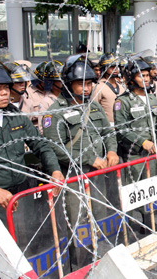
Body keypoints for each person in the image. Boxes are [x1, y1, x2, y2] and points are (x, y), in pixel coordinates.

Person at [0, 63, 64, 278]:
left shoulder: (14, 115)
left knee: (22, 251)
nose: (5, 92)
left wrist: (55, 170)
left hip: (20, 197)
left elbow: (39, 144)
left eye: (6, 87)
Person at [42, 54, 118, 265]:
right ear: (69, 84)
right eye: (80, 84)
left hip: (97, 175)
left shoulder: (93, 106)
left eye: (89, 83)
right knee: (77, 221)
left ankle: (100, 255)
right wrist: (89, 157)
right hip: (74, 177)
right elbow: (55, 147)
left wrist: (111, 150)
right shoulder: (54, 113)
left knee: (100, 214)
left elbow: (108, 132)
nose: (86, 88)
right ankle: (80, 264)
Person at [114, 58, 157, 181]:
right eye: (141, 76)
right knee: (136, 190)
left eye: (147, 75)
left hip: (152, 151)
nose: (146, 79)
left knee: (152, 186)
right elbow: (121, 129)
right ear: (131, 78)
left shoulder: (152, 98)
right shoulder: (123, 101)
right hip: (134, 155)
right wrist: (143, 142)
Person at [90, 53, 125, 125]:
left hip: (122, 125)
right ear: (104, 68)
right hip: (107, 127)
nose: (115, 69)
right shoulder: (98, 87)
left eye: (116, 66)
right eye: (111, 67)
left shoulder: (121, 87)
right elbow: (93, 109)